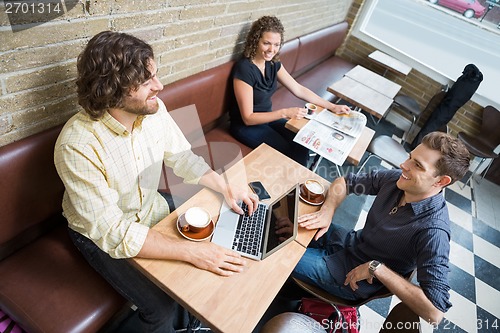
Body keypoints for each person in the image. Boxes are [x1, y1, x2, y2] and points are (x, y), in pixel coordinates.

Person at [54, 31, 259, 333]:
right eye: (147, 80)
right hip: (99, 234)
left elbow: (183, 158)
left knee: (218, 230)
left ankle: (190, 323)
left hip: (151, 207)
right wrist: (191, 252)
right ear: (113, 88)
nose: (159, 86)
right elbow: (112, 231)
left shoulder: (155, 110)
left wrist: (225, 186)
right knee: (162, 310)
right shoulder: (77, 144)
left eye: (156, 75)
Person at [292, 132, 470, 326]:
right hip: (346, 243)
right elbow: (346, 182)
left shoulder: (434, 231)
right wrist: (327, 211)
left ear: (441, 181)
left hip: (347, 277)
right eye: (410, 157)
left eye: (417, 165)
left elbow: (434, 313)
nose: (404, 165)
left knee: (279, 255)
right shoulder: (398, 179)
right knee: (285, 222)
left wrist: (377, 269)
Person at [229, 16, 350, 166]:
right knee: (288, 152)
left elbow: (298, 89)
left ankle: (300, 182)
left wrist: (331, 106)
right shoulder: (244, 69)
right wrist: (285, 113)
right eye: (266, 43)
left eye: (276, 44)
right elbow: (248, 118)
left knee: (302, 140)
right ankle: (296, 185)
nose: (271, 50)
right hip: (246, 126)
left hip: (268, 119)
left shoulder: (272, 63)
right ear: (255, 40)